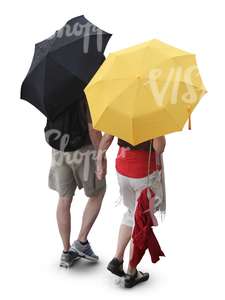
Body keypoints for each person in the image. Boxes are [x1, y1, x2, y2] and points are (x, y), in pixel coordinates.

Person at [96, 135, 166, 288]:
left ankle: (117, 259)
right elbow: (159, 148)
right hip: (144, 172)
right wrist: (160, 131)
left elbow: (107, 138)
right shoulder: (152, 114)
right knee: (140, 220)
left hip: (122, 168)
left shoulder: (120, 110)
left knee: (131, 213)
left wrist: (99, 159)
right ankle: (131, 272)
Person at [45, 96, 106, 268]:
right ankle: (81, 241)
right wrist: (102, 155)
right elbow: (93, 130)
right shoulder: (87, 88)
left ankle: (66, 252)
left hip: (59, 148)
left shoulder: (53, 85)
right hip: (84, 151)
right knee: (98, 192)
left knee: (64, 198)